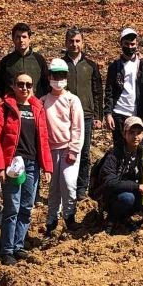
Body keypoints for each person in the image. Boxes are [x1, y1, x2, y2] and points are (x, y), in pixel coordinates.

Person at [0, 72, 53, 266]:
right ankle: (7, 250)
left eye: (28, 84)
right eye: (20, 84)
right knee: (12, 207)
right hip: (13, 164)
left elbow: (43, 138)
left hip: (32, 164)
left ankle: (18, 245)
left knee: (26, 207)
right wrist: (0, 166)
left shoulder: (37, 108)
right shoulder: (3, 108)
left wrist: (47, 167)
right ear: (13, 86)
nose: (24, 88)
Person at [43, 58, 84, 235]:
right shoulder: (43, 100)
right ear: (49, 76)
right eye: (55, 75)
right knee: (53, 187)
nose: (58, 79)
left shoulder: (72, 100)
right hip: (51, 150)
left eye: (61, 75)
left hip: (68, 148)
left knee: (68, 183)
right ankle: (51, 220)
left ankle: (69, 216)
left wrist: (73, 149)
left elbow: (77, 126)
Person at [62, 27, 103, 199]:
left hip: (86, 115)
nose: (74, 44)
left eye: (77, 41)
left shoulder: (90, 66)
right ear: (66, 43)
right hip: (64, 115)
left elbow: (97, 91)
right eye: (71, 41)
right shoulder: (60, 65)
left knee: (84, 153)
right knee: (65, 152)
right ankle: (66, 187)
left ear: (82, 43)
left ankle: (81, 189)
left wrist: (98, 116)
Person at [104, 28, 143, 149]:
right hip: (119, 113)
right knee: (119, 148)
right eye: (126, 44)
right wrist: (108, 114)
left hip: (137, 114)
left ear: (137, 44)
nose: (130, 47)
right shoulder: (114, 66)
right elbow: (109, 91)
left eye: (132, 44)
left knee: (138, 148)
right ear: (121, 43)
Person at [101, 116, 143, 234]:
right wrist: (136, 186)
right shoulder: (114, 154)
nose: (135, 136)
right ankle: (112, 218)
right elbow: (109, 182)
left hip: (137, 192)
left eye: (139, 133)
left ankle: (126, 217)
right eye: (131, 132)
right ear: (124, 134)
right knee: (127, 198)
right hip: (114, 195)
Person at [0, 22, 48, 98]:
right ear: (13, 39)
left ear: (29, 39)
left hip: (35, 102)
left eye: (24, 37)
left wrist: (39, 99)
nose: (21, 40)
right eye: (18, 37)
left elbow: (46, 83)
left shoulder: (39, 59)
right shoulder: (6, 61)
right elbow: (0, 85)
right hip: (12, 103)